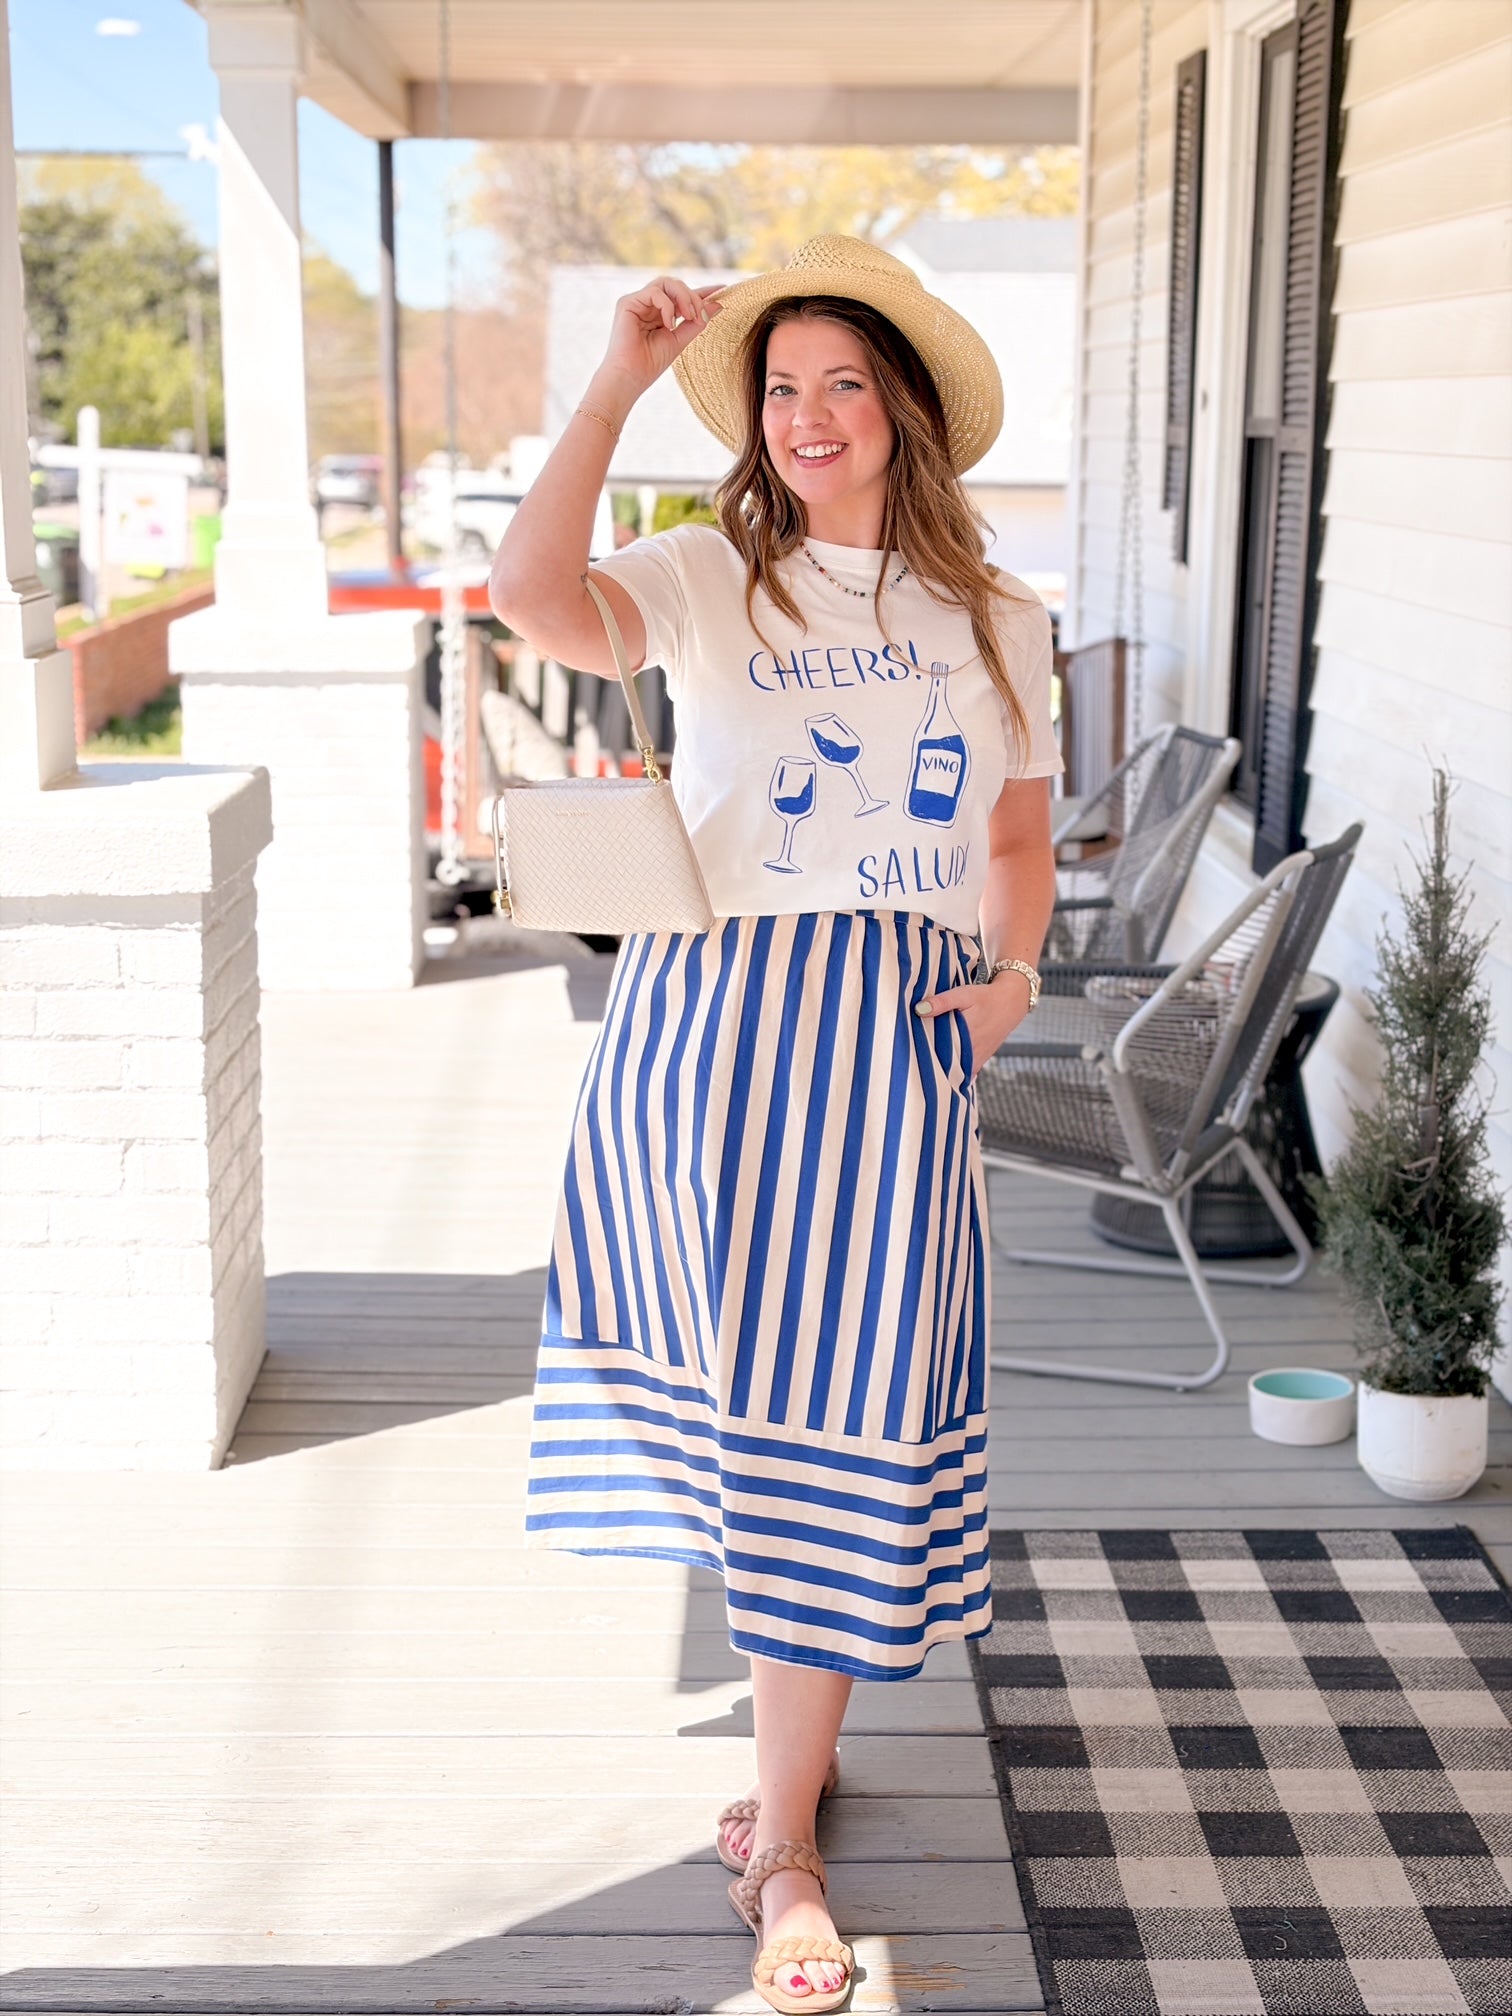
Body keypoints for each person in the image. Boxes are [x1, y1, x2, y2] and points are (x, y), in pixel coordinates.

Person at [490, 236, 1061, 2016]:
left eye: (841, 381)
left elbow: (1023, 844)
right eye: (778, 386)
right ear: (755, 420)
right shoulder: (711, 575)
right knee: (741, 1416)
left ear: (898, 406)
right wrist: (606, 383)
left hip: (891, 1044)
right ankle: (789, 1816)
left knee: (852, 1413)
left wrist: (1019, 978)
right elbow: (528, 597)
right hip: (707, 1027)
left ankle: (787, 1825)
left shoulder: (997, 619)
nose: (809, 415)